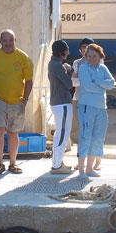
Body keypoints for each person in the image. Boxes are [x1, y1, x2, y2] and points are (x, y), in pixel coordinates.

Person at [0, 29, 34, 175]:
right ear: (0, 41)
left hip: (17, 102)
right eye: (5, 40)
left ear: (15, 40)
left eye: (10, 40)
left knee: (13, 133)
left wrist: (24, 100)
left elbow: (29, 81)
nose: (8, 43)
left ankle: (13, 163)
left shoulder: (23, 57)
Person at [77, 44, 115, 179]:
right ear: (85, 57)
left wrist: (97, 81)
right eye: (89, 56)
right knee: (85, 136)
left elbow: (111, 83)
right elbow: (87, 86)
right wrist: (102, 87)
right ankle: (81, 170)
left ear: (100, 56)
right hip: (87, 106)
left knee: (98, 138)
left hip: (101, 108)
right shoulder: (83, 68)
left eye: (95, 56)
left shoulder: (103, 68)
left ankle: (89, 169)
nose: (92, 58)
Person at [71, 37, 101, 170]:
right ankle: (81, 160)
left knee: (96, 131)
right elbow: (75, 82)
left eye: (88, 46)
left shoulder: (99, 63)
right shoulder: (77, 63)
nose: (86, 49)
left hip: (95, 102)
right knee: (80, 131)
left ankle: (97, 159)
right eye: (83, 47)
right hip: (79, 99)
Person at [48, 40, 73, 174]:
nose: (68, 52)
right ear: (61, 51)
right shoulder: (58, 65)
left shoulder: (52, 64)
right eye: (66, 49)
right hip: (62, 103)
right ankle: (57, 165)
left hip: (57, 102)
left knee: (60, 133)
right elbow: (69, 84)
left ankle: (58, 162)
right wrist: (69, 71)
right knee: (62, 134)